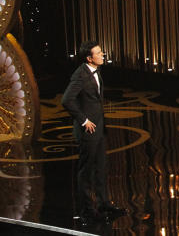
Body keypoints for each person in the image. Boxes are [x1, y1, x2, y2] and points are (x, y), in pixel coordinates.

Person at [62, 40, 124, 224]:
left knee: (101, 167)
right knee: (86, 171)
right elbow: (67, 100)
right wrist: (83, 120)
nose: (103, 54)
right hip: (88, 131)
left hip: (99, 128)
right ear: (90, 58)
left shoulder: (96, 71)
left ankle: (104, 203)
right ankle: (88, 211)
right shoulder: (80, 75)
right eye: (99, 53)